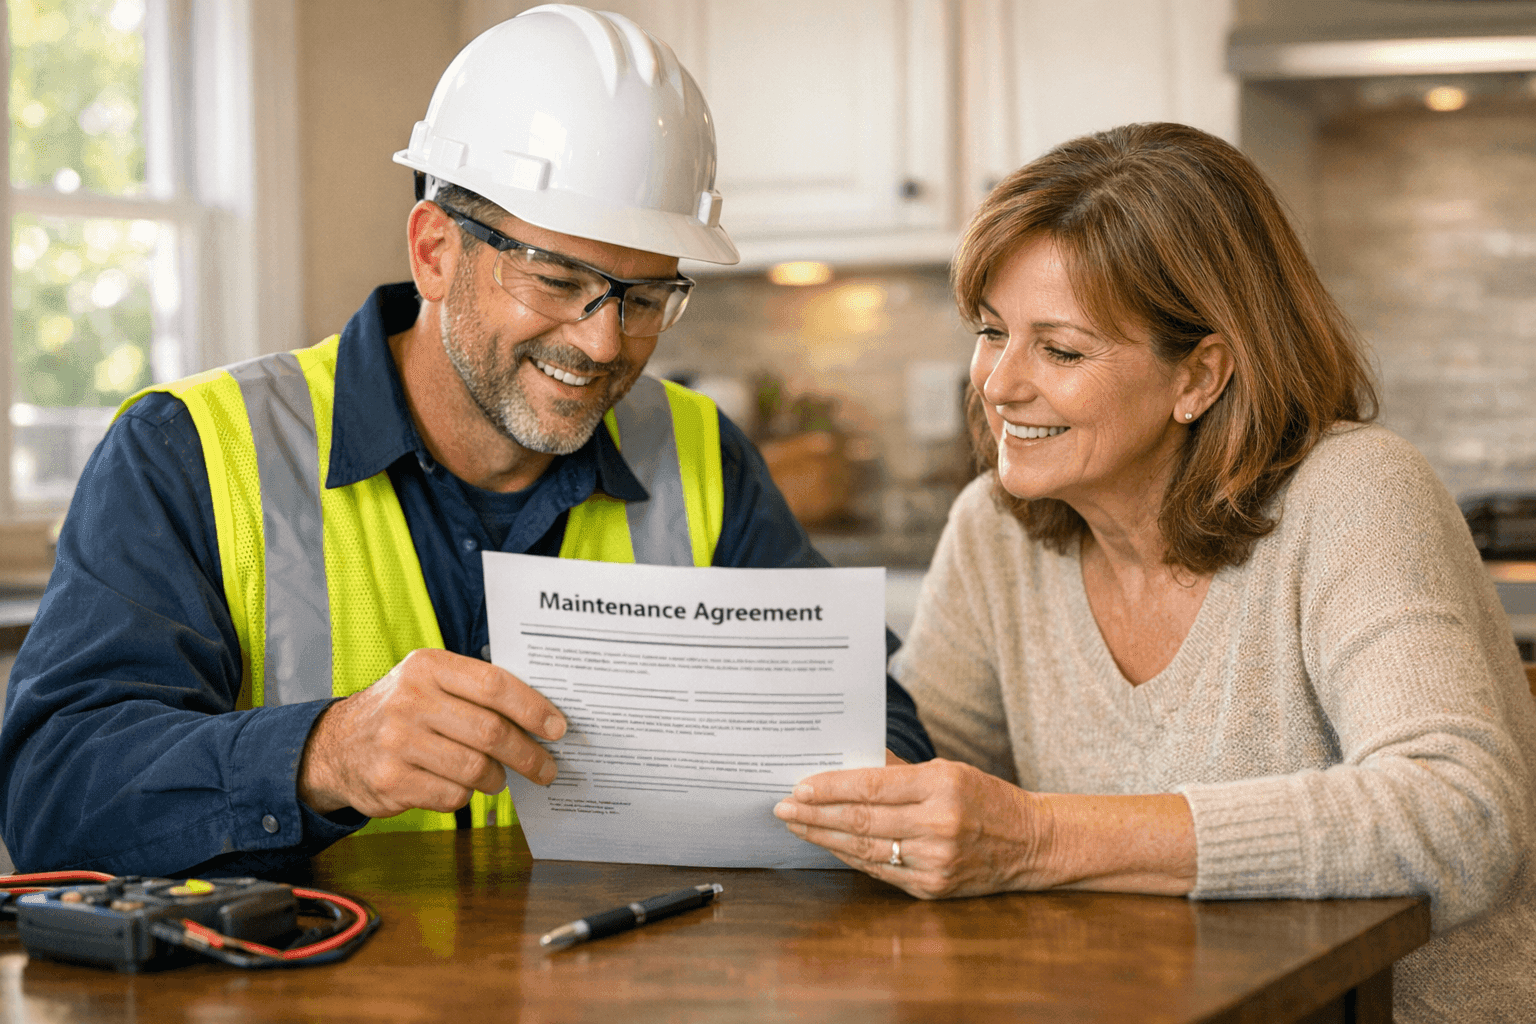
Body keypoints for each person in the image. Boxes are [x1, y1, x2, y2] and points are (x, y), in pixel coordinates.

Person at [0, 5, 932, 878]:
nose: (604, 343)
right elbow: (51, 795)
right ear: (435, 251)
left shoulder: (700, 451)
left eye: (645, 297)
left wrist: (857, 783)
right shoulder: (191, 451)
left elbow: (877, 720)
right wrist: (323, 756)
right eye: (560, 279)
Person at [772, 122, 1536, 1021]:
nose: (999, 383)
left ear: (1200, 376)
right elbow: (930, 787)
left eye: (1059, 350)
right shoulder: (995, 533)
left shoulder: (1354, 492)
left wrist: (1039, 838)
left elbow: (1459, 815)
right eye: (991, 332)